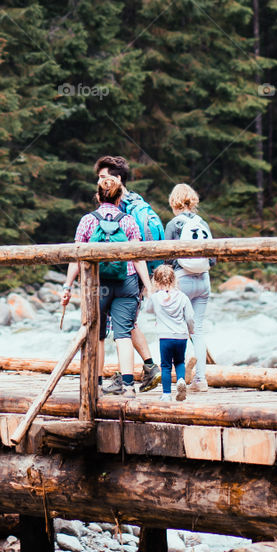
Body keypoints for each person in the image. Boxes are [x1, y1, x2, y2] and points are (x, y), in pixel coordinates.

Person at [61, 169, 153, 396]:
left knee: (98, 335)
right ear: (120, 197)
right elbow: (138, 258)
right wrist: (148, 287)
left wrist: (67, 286)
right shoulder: (129, 222)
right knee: (123, 334)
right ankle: (129, 386)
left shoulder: (87, 221)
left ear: (99, 196)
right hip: (127, 282)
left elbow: (76, 257)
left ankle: (98, 384)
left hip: (96, 285)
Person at [94, 155, 163, 392]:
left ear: (117, 179)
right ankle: (143, 368)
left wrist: (146, 282)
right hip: (136, 275)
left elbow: (136, 247)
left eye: (103, 177)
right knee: (125, 326)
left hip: (127, 276)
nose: (100, 181)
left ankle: (144, 369)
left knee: (123, 327)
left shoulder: (124, 208)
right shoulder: (137, 203)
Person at [165, 183, 213, 393]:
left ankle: (181, 379)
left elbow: (166, 257)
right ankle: (201, 380)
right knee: (198, 331)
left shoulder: (173, 224)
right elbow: (212, 257)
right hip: (203, 280)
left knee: (176, 329)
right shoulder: (202, 222)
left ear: (174, 202)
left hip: (181, 279)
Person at [146, 264, 194, 401]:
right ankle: (180, 380)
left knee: (166, 365)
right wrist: (191, 330)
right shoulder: (183, 297)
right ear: (174, 280)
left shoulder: (155, 298)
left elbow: (148, 310)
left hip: (165, 337)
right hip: (181, 337)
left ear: (155, 281)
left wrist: (151, 297)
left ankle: (166, 394)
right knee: (179, 362)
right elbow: (190, 317)